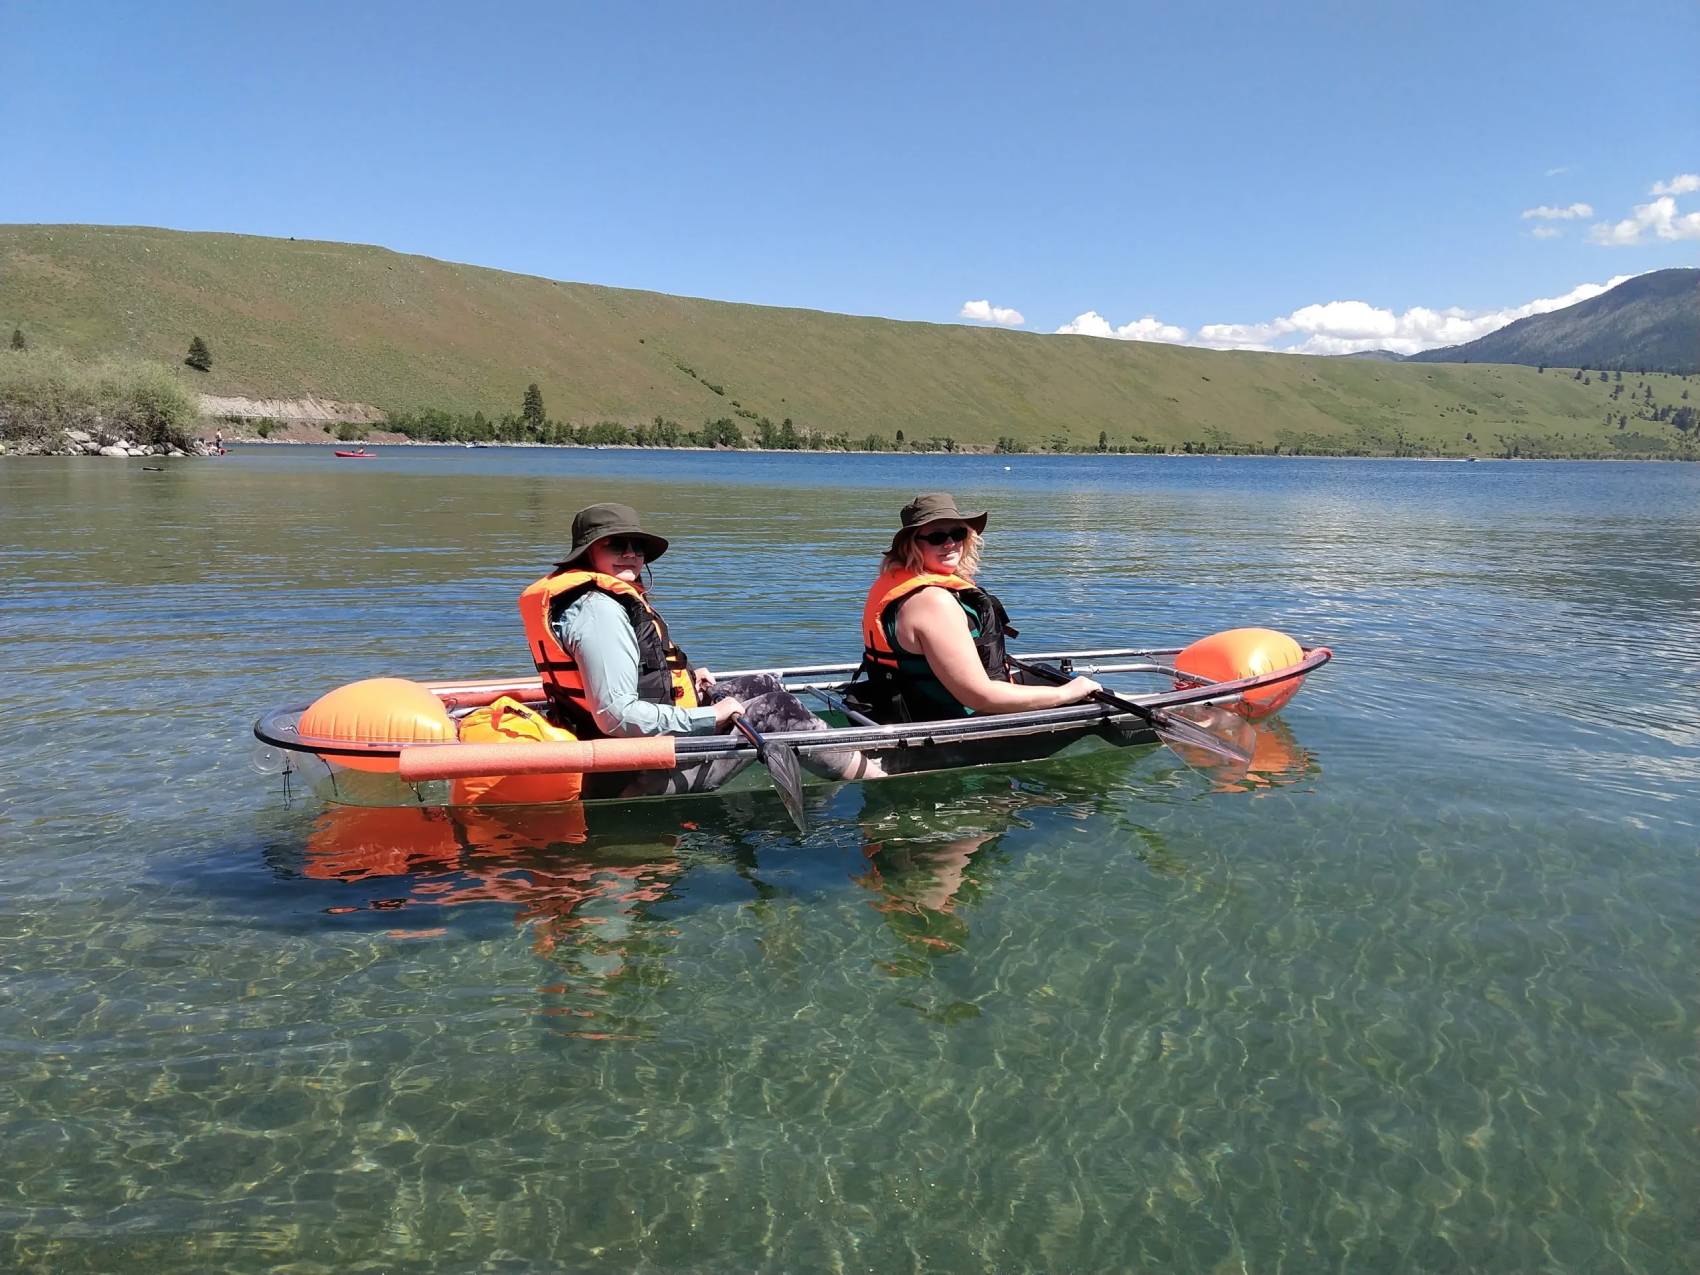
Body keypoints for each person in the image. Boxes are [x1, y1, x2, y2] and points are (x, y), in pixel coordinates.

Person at [519, 502, 881, 785]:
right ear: (587, 553)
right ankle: (875, 778)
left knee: (762, 684)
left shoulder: (602, 601)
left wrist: (685, 679)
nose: (631, 553)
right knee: (777, 708)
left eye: (637, 546)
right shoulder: (598, 611)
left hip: (639, 746)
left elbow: (637, 669)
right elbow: (616, 716)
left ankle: (841, 761)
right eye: (615, 544)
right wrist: (711, 715)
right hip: (631, 770)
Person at [854, 492, 1102, 722]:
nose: (950, 543)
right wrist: (1067, 693)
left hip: (916, 704)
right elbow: (979, 697)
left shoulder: (901, 585)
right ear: (911, 545)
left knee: (1046, 673)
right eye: (937, 537)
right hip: (954, 719)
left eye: (958, 534)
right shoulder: (933, 602)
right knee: (1090, 695)